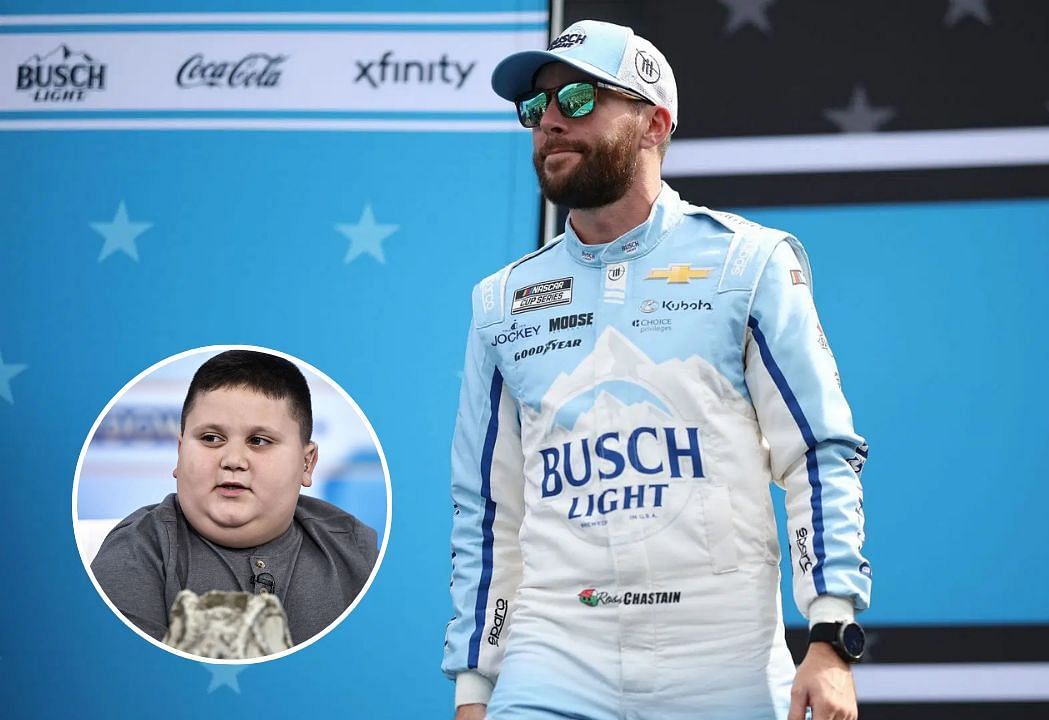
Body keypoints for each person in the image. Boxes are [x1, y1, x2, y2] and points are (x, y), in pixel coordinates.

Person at [443, 20, 871, 720]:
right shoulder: (501, 302)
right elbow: (490, 509)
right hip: (554, 660)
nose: (549, 120)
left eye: (577, 99)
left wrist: (830, 635)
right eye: (535, 108)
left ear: (654, 124)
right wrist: (474, 688)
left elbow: (818, 453)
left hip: (721, 659)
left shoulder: (751, 262)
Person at [91, 350, 378, 653]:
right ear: (179, 453)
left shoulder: (357, 550)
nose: (232, 460)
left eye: (259, 441)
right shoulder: (138, 551)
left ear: (306, 464)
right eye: (211, 438)